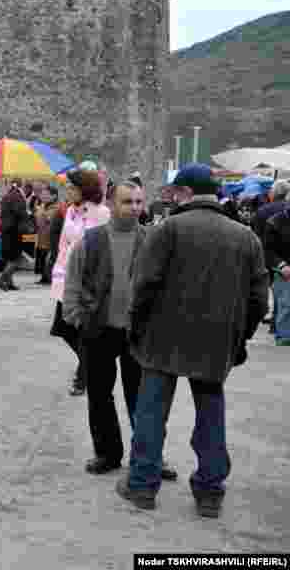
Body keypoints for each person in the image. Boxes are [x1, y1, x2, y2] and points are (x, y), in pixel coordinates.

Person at [117, 165, 268, 517]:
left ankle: (142, 486)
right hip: (216, 341)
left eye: (173, 192)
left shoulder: (167, 229)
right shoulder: (245, 236)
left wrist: (135, 328)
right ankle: (210, 493)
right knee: (211, 417)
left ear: (184, 192)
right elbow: (259, 299)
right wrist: (239, 338)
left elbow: (143, 287)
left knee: (151, 414)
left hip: (161, 338)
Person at [62, 181, 177, 481]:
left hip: (137, 332)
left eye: (139, 202)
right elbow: (73, 278)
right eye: (128, 202)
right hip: (98, 329)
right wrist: (75, 315)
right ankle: (107, 454)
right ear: (112, 204)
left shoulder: (152, 239)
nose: (136, 207)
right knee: (100, 395)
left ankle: (150, 455)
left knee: (143, 398)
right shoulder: (92, 240)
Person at [50, 168, 110, 396]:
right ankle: (89, 365)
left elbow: (103, 248)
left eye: (71, 187)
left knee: (83, 330)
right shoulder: (70, 212)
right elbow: (64, 243)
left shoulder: (101, 213)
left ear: (84, 189)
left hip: (87, 279)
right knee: (64, 328)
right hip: (65, 276)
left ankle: (84, 374)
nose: (68, 191)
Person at [254, 180, 290, 334]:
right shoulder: (278, 217)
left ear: (272, 193)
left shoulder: (262, 211)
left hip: (268, 257)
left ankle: (277, 323)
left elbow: (256, 236)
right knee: (282, 294)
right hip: (280, 259)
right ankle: (279, 325)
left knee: (277, 292)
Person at [0, 180, 27, 291]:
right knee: (16, 259)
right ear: (20, 186)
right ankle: (2, 279)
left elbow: (1, 214)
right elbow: (20, 213)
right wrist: (26, 214)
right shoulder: (18, 197)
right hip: (14, 231)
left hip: (5, 231)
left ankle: (9, 283)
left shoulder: (5, 197)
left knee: (9, 258)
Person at [34, 185, 59, 283]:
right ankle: (44, 276)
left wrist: (44, 215)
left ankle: (50, 277)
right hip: (41, 237)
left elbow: (51, 220)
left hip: (51, 238)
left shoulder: (57, 208)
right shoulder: (42, 206)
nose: (42, 196)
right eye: (42, 194)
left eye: (46, 194)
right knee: (42, 257)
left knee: (50, 257)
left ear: (54, 196)